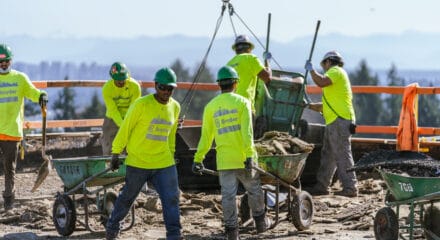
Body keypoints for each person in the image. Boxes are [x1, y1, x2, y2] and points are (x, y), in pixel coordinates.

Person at [192, 66, 271, 240]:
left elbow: (206, 138)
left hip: (225, 160)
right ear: (235, 83)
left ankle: (232, 231)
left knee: (228, 196)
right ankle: (260, 224)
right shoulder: (243, 103)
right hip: (244, 158)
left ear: (219, 84)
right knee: (254, 190)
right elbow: (247, 134)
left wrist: (198, 159)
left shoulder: (211, 106)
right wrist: (250, 155)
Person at [106, 67, 182, 240]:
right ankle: (112, 228)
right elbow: (126, 129)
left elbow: (171, 136)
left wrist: (172, 155)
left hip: (164, 162)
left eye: (170, 88)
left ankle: (175, 235)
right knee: (127, 198)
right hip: (138, 162)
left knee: (171, 199)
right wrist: (116, 152)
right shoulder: (141, 104)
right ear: (155, 86)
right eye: (162, 87)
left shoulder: (175, 107)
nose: (166, 92)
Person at [0, 44, 48, 210]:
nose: (3, 64)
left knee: (9, 169)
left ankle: (8, 200)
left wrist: (41, 96)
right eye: (0, 62)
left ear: (10, 61)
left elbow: (33, 92)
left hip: (12, 131)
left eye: (6, 61)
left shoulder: (19, 78)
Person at [304, 51, 358, 197]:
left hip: (339, 120)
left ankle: (350, 187)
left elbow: (320, 81)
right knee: (328, 155)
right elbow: (324, 106)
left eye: (324, 65)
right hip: (335, 121)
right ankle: (322, 185)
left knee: (342, 154)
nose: (324, 68)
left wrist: (311, 70)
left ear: (328, 62)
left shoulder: (336, 71)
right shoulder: (335, 79)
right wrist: (308, 105)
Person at [101, 62, 141, 156]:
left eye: (123, 79)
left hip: (131, 117)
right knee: (109, 149)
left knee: (130, 147)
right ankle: (110, 167)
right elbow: (113, 110)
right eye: (118, 80)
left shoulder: (135, 87)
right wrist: (123, 125)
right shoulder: (107, 89)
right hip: (112, 118)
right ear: (113, 78)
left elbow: (134, 107)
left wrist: (127, 125)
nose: (121, 82)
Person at [226, 34, 273, 114]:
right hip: (246, 106)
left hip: (230, 108)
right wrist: (267, 63)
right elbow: (267, 78)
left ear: (235, 49)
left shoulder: (229, 64)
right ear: (249, 48)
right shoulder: (251, 58)